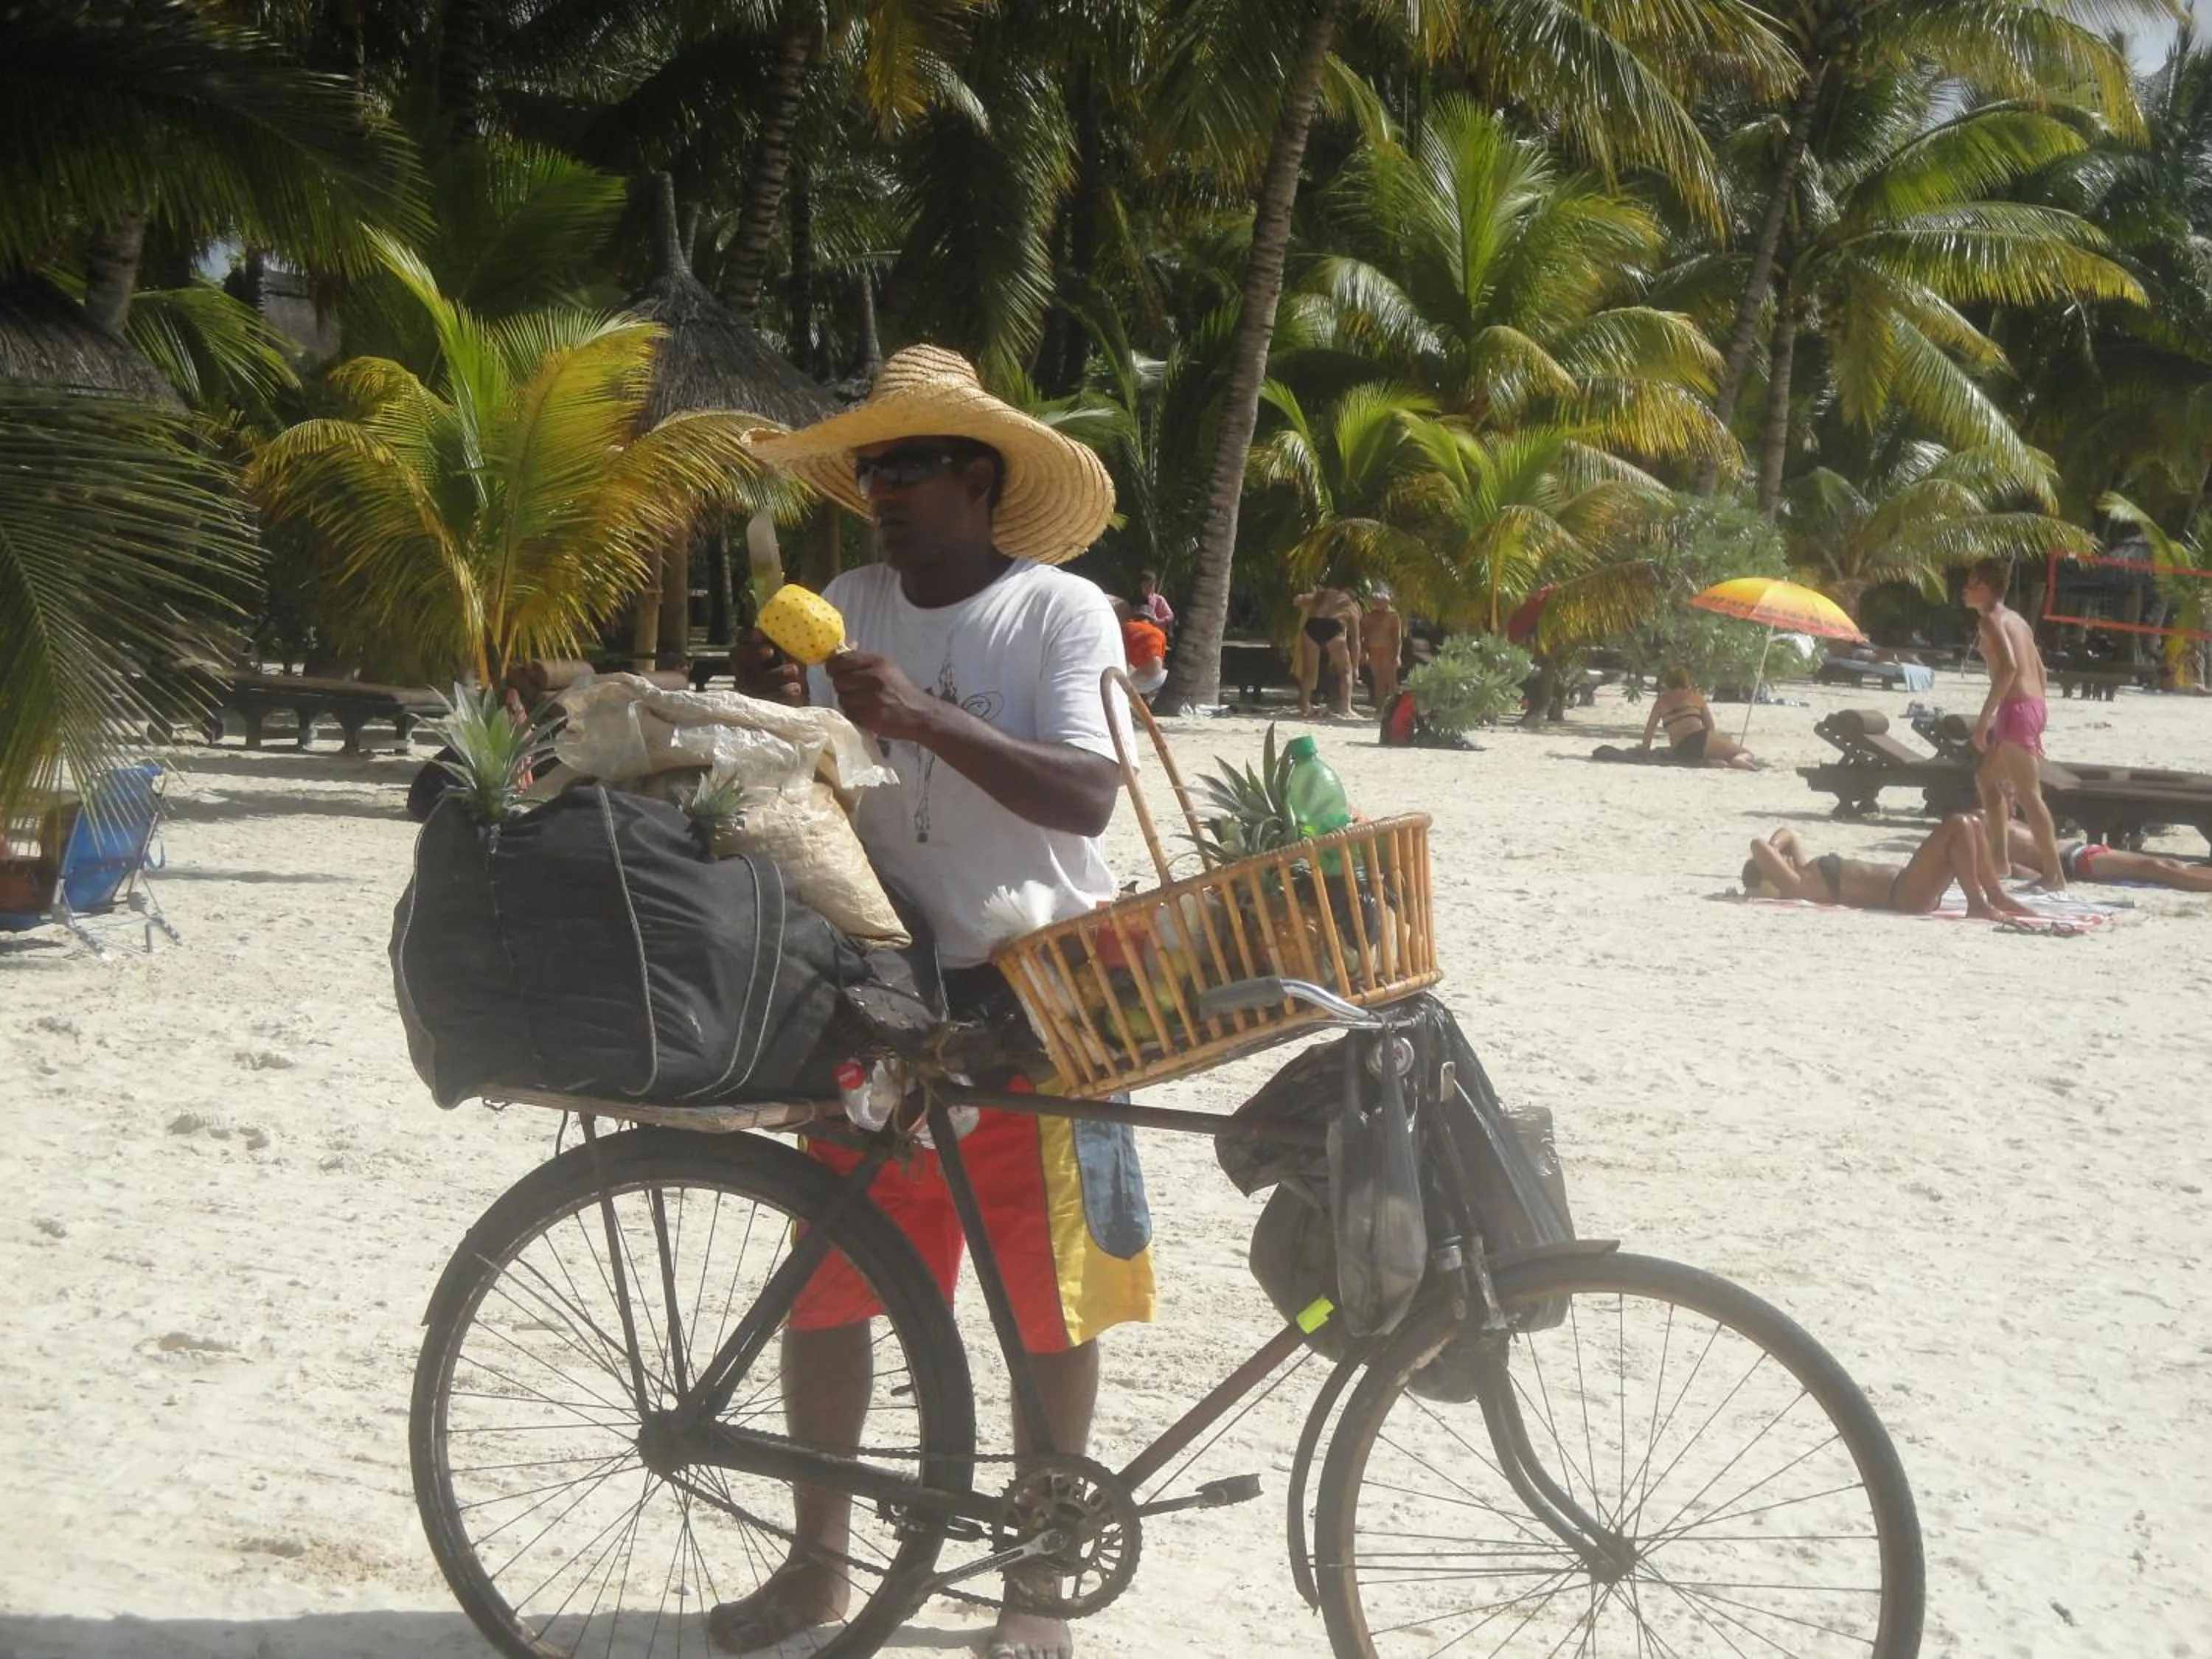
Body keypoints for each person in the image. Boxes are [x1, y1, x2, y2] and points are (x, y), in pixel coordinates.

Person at [729, 345, 1151, 1659]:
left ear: (980, 478)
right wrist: (759, 704)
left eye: (906, 466)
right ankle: (817, 1569)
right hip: (883, 989)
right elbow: (794, 769)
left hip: (1045, 990)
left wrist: (920, 716)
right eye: (867, 469)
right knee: (837, 1277)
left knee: (1049, 1298)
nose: (879, 491)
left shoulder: (1060, 614)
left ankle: (1036, 1588)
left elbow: (1089, 796)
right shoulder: (851, 596)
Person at [1964, 557, 2063, 891]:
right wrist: (2037, 714)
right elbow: (2041, 671)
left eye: (1971, 583)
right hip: (2029, 707)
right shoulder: (2018, 621)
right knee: (1987, 780)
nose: (1965, 589)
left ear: (1984, 586)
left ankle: (2054, 876)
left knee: (2029, 795)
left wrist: (1983, 722)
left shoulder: (1992, 620)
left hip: (2017, 709)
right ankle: (2000, 861)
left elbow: (2008, 668)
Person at [1743, 818, 2033, 919]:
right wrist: (1773, 855)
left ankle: (1993, 894)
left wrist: (1777, 847)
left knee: (1973, 824)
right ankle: (1979, 903)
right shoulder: (1799, 886)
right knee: (1959, 824)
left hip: (1909, 884)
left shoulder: (1806, 870)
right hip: (1904, 894)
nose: (1786, 858)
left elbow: (1787, 833)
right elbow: (1759, 845)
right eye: (1779, 861)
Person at [2001, 821, 2212, 892]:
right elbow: (2006, 868)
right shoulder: (1983, 825)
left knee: (2165, 865)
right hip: (2074, 862)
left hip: (2080, 850)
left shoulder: (2004, 816)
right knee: (2155, 867)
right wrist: (2050, 873)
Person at [1638, 669, 1759, 770]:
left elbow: (1650, 730)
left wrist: (1645, 752)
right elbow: (1710, 726)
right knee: (1745, 753)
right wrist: (1716, 742)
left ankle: (1713, 762)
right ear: (1686, 681)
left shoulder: (1661, 702)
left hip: (1680, 750)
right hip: (1700, 737)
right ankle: (1739, 760)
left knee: (1713, 759)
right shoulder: (1695, 697)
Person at [1292, 585, 1363, 717]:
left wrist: (1306, 599)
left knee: (1310, 669)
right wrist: (1356, 667)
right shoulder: (1352, 607)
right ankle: (1345, 707)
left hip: (1312, 625)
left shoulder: (1325, 594)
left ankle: (1304, 704)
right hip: (1333, 626)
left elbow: (1297, 600)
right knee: (1346, 670)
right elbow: (1356, 642)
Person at [1363, 586, 1405, 710]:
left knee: (1391, 681)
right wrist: (1365, 651)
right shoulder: (1372, 616)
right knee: (1378, 681)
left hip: (1389, 651)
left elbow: (1397, 638)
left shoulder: (1393, 616)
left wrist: (1397, 655)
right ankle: (1380, 708)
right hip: (1374, 651)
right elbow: (1366, 634)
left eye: (1379, 600)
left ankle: (1395, 709)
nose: (1376, 603)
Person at [1134, 568, 1173, 636]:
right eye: (1145, 586)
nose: (1148, 588)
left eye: (1151, 585)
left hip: (1156, 635)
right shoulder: (1135, 600)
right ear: (1140, 586)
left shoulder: (1159, 600)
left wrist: (1156, 622)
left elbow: (1170, 617)